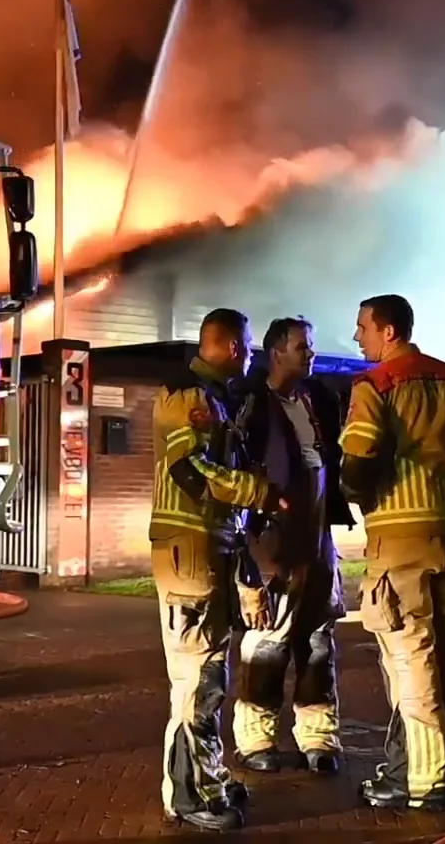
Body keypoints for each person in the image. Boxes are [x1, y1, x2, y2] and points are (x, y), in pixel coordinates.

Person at [339, 293, 445, 811]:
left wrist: (355, 487)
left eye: (362, 327)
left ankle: (428, 777)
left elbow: (356, 466)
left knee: (412, 659)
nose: (356, 337)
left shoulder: (374, 386)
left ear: (388, 331)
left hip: (397, 545)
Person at [149, 308, 283, 832]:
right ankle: (187, 796)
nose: (249, 356)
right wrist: (256, 489)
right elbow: (190, 470)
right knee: (196, 679)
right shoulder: (186, 395)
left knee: (211, 676)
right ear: (229, 346)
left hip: (209, 552)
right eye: (246, 346)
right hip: (189, 556)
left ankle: (207, 778)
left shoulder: (213, 398)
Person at [229, 317, 355, 777]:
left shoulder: (318, 400)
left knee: (319, 643)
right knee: (267, 643)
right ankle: (256, 738)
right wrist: (250, 564)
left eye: (312, 346)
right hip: (273, 548)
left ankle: (318, 736)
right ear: (276, 352)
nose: (311, 354)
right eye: (303, 347)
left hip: (318, 544)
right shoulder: (249, 404)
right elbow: (236, 482)